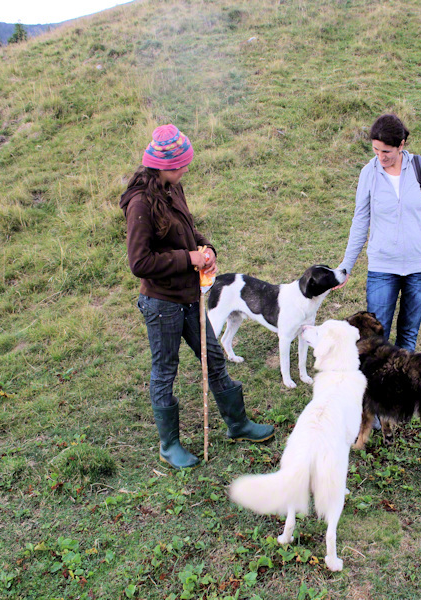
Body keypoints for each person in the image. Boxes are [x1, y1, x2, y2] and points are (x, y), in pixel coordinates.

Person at [120, 124, 274, 470]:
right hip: (162, 303)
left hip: (190, 296)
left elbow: (186, 230)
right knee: (165, 370)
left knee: (214, 356)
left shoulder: (172, 188)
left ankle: (238, 425)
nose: (186, 169)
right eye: (182, 165)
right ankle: (169, 445)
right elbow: (139, 262)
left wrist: (205, 248)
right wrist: (188, 259)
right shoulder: (141, 203)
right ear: (163, 165)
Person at [337, 113, 421, 351]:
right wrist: (346, 266)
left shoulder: (419, 167)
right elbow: (360, 222)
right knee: (376, 337)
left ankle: (400, 387)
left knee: (408, 336)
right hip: (383, 268)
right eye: (375, 150)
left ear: (401, 145)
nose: (381, 157)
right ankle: (377, 387)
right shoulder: (368, 174)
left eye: (387, 152)